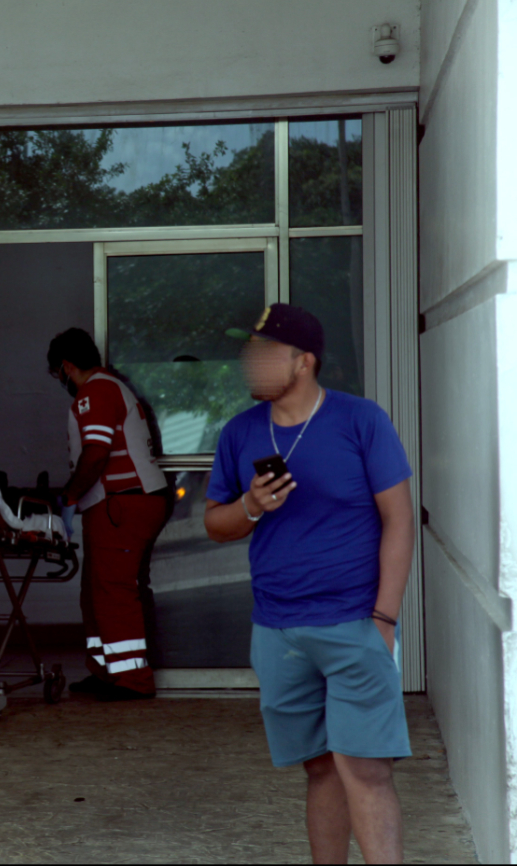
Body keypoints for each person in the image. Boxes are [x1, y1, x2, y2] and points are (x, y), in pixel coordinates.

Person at [204, 304, 415, 864]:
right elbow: (214, 523)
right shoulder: (239, 433)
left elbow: (399, 520)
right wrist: (250, 505)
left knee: (365, 768)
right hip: (277, 629)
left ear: (303, 362)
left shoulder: (360, 420)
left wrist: (384, 620)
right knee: (320, 767)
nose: (249, 362)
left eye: (263, 352)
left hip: (354, 622)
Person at [48, 327, 169, 702]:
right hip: (126, 501)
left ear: (67, 366)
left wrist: (68, 496)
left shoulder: (96, 391)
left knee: (113, 591)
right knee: (96, 592)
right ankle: (107, 672)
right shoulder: (113, 387)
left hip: (122, 501)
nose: (61, 382)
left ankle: (133, 679)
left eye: (58, 374)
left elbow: (96, 453)